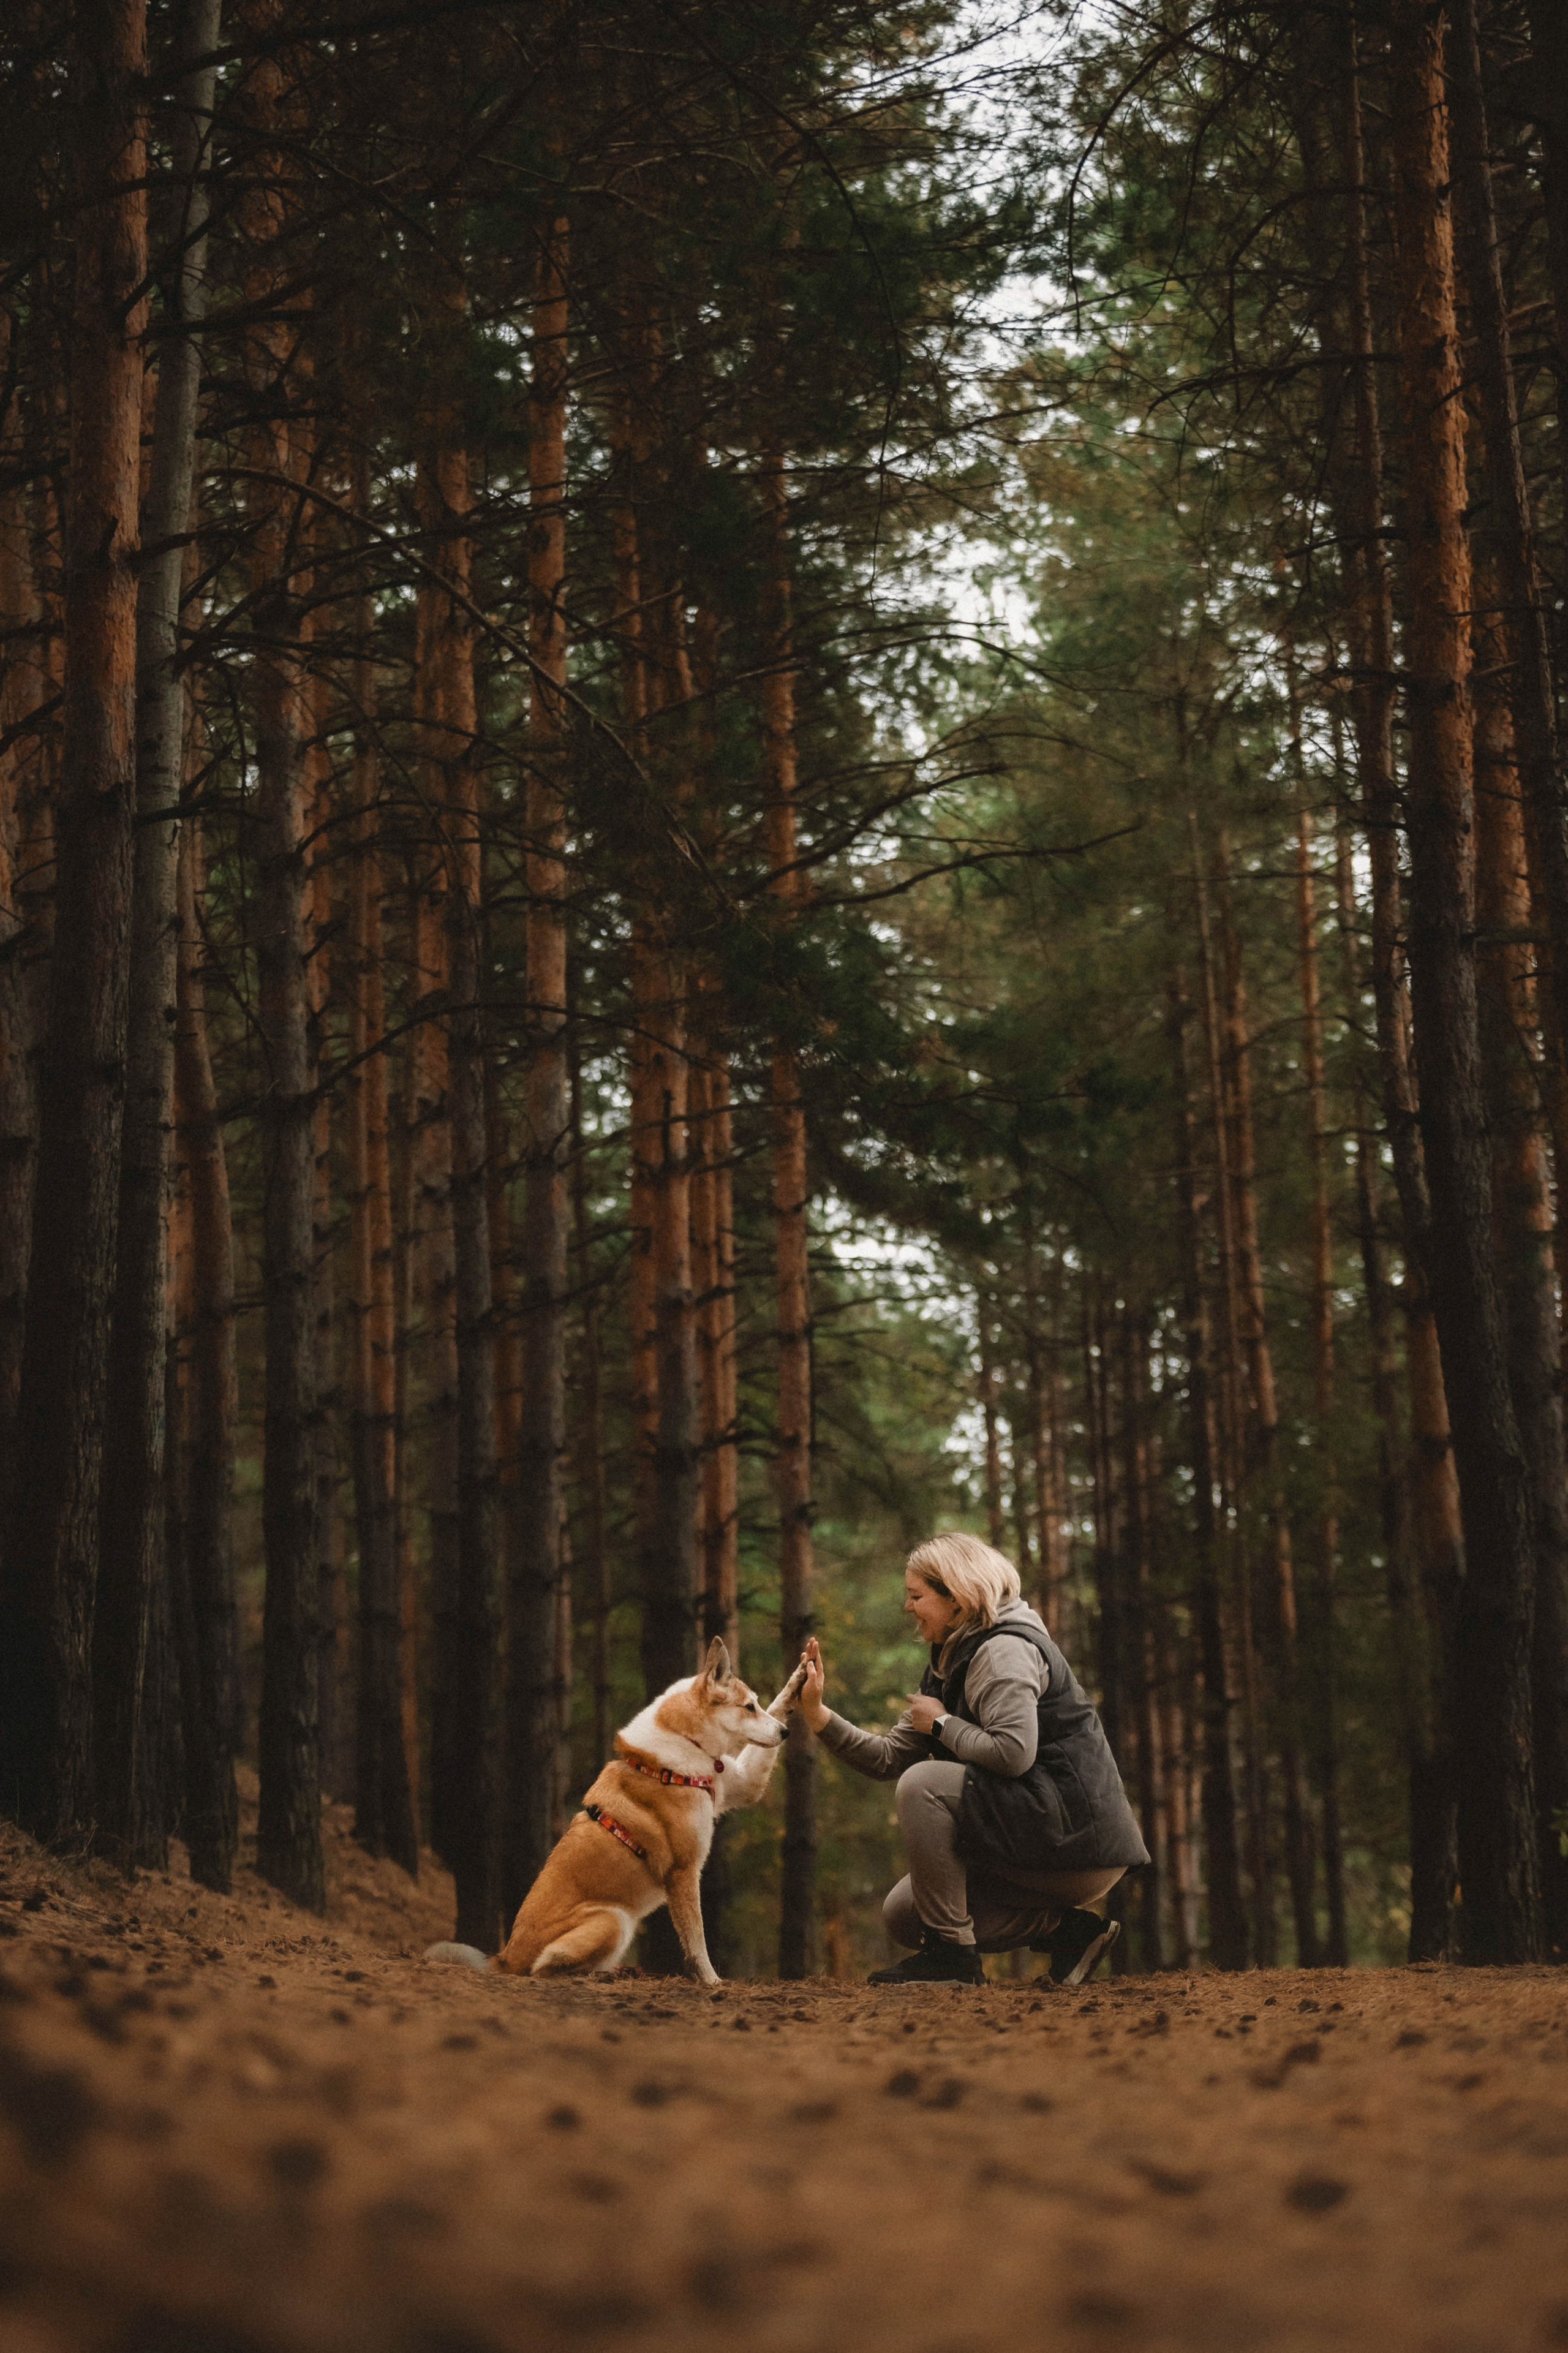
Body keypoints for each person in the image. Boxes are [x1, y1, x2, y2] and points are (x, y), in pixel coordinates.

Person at [797, 1533, 1150, 1986]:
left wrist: (944, 1725)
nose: (908, 1607)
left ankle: (953, 1959)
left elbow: (1013, 1754)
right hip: (1039, 1834)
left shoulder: (1004, 1650)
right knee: (906, 1913)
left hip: (1077, 1842)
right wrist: (817, 1712)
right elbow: (886, 1758)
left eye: (916, 1595)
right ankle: (1071, 1932)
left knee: (924, 1782)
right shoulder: (950, 1659)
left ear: (958, 1597)